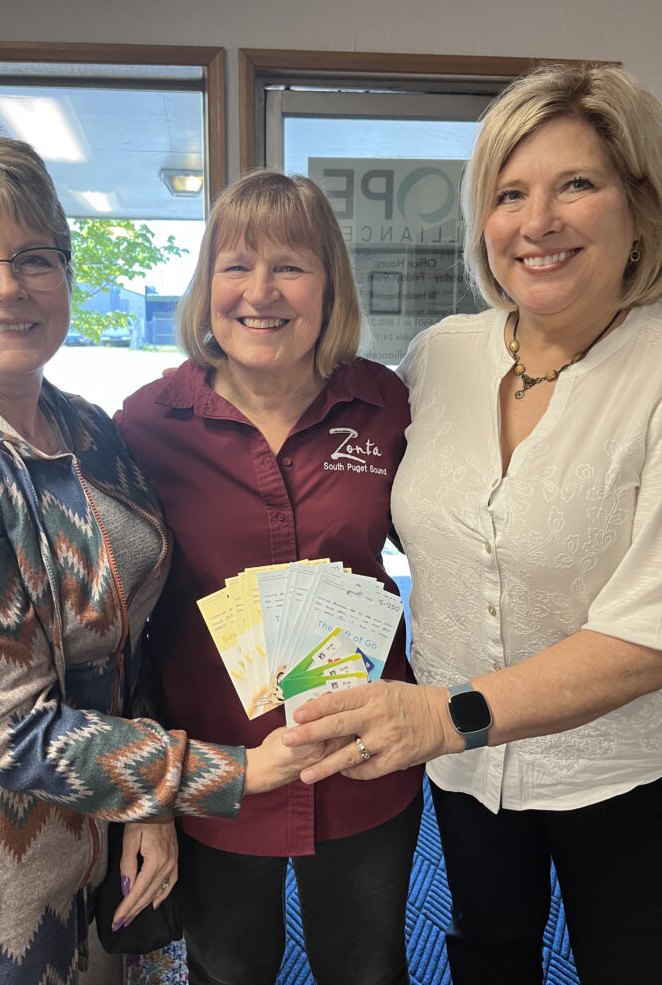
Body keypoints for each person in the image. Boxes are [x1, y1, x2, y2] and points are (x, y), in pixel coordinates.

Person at [0, 125, 329, 985]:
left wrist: (146, 804)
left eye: (34, 258)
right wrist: (233, 772)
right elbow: (6, 731)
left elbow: (127, 643)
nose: (7, 287)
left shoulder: (88, 428)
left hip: (98, 851)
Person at [283, 64, 662, 985]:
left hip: (621, 769)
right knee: (489, 956)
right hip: (463, 771)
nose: (538, 222)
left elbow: (649, 630)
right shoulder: (437, 356)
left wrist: (446, 716)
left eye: (577, 184)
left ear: (641, 208)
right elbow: (367, 506)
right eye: (509, 193)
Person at [115, 169, 424, 985]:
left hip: (362, 756)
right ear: (206, 285)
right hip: (220, 767)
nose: (261, 292)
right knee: (228, 970)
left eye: (290, 266)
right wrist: (147, 793)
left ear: (329, 285)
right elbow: (116, 625)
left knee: (368, 969)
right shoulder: (146, 425)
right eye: (236, 266)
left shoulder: (385, 406)